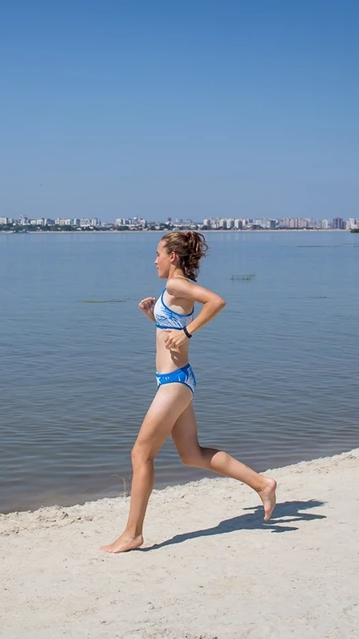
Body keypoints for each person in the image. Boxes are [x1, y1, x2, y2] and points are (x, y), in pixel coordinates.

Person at [100, 230, 277, 553]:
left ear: (173, 257)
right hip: (177, 380)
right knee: (191, 454)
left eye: (158, 254)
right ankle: (262, 484)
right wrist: (152, 315)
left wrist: (188, 332)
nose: (154, 260)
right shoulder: (170, 290)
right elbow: (170, 331)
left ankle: (133, 534)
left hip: (174, 385)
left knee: (141, 454)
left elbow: (216, 301)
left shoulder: (174, 284)